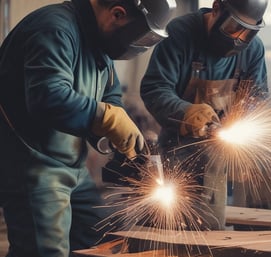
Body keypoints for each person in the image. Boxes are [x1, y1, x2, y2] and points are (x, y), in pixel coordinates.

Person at [0, 0, 176, 256]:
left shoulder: (98, 39)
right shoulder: (54, 29)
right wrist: (105, 117)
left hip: (71, 165)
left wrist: (114, 131)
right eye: (140, 36)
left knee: (95, 233)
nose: (137, 45)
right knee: (44, 250)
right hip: (33, 165)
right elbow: (47, 96)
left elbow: (110, 95)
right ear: (117, 14)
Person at [140, 0, 268, 230]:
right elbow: (155, 88)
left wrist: (242, 124)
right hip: (177, 153)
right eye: (233, 27)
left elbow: (256, 99)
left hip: (219, 157)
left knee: (211, 228)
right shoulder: (181, 33)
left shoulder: (254, 50)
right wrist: (186, 111)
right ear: (217, 8)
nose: (238, 39)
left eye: (247, 33)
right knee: (170, 229)